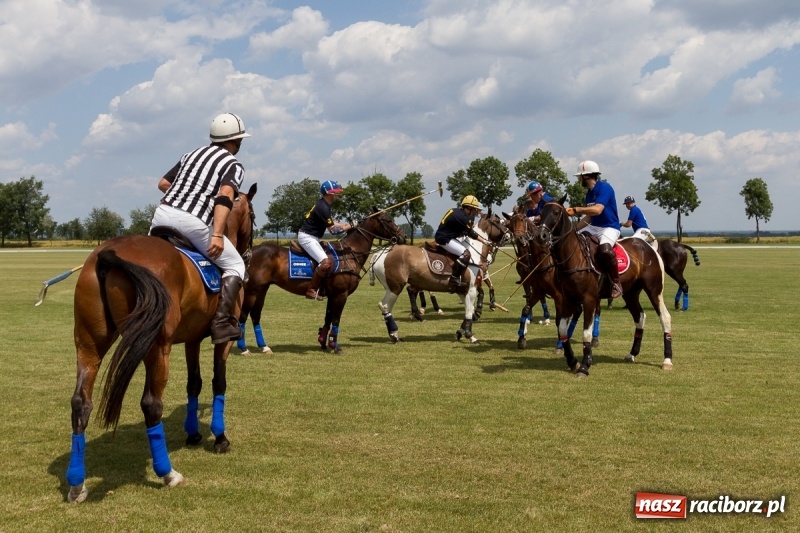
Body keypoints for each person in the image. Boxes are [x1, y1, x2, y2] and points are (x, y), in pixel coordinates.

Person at [151, 112, 250, 344]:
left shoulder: (191, 154)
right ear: (236, 140)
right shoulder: (233, 164)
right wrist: (217, 234)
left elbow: (163, 183)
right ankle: (221, 323)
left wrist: (185, 195)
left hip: (161, 216)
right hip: (193, 222)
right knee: (236, 265)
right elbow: (225, 195)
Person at [566, 160, 623, 298]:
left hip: (609, 227)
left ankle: (616, 283)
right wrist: (573, 231)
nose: (579, 180)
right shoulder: (589, 193)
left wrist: (576, 209)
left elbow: (597, 210)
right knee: (573, 241)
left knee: (605, 249)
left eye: (580, 177)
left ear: (586, 176)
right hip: (594, 227)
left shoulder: (605, 188)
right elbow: (589, 218)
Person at [298, 180, 355, 300]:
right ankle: (311, 290)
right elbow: (333, 231)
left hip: (311, 236)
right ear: (330, 193)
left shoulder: (323, 204)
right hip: (307, 237)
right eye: (335, 192)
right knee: (325, 262)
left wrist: (345, 224)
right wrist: (350, 226)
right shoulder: (323, 207)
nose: (337, 195)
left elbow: (331, 223)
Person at [434, 195, 491, 290]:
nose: (476, 211)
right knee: (466, 254)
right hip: (445, 239)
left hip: (447, 236)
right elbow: (470, 233)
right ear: (469, 208)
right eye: (475, 209)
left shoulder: (456, 211)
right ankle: (454, 278)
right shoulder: (462, 218)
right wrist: (484, 241)